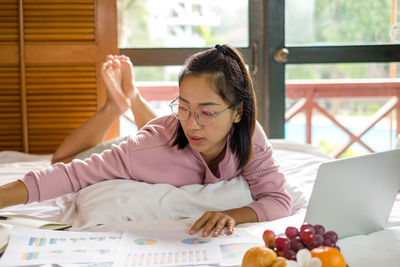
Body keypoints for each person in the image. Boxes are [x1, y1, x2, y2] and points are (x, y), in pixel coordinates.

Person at [0, 44, 291, 237]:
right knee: (63, 158)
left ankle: (133, 97)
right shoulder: (142, 150)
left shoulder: (250, 136)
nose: (193, 123)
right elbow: (70, 174)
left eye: (206, 112)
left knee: (167, 135)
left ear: (238, 112)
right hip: (147, 143)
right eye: (184, 107)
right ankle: (115, 106)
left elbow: (278, 199)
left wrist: (233, 215)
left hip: (160, 138)